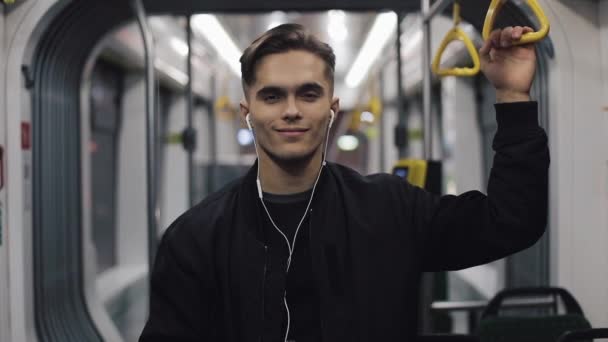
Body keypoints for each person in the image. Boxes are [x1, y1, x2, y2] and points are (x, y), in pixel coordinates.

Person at [139, 23, 549, 342]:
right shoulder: (195, 238)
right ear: (248, 111)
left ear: (332, 109)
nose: (292, 111)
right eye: (272, 96)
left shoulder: (390, 209)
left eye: (309, 94)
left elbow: (511, 221)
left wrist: (512, 96)